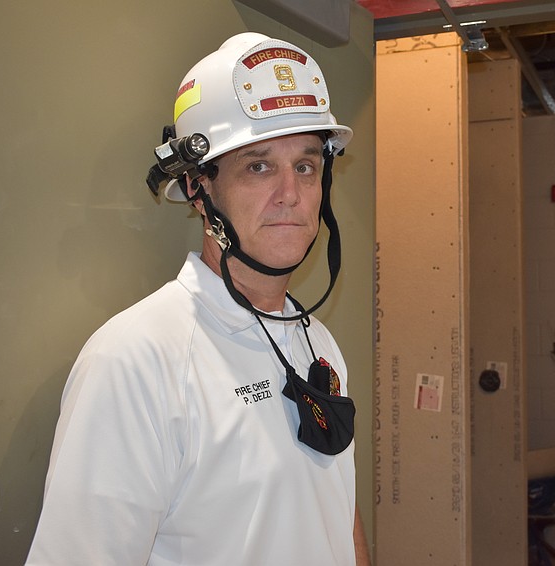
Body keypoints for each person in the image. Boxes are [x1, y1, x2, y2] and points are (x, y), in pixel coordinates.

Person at [27, 32, 370, 565]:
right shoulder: (136, 360)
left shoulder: (314, 341)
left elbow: (336, 518)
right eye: (259, 166)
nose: (291, 194)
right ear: (197, 187)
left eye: (305, 166)